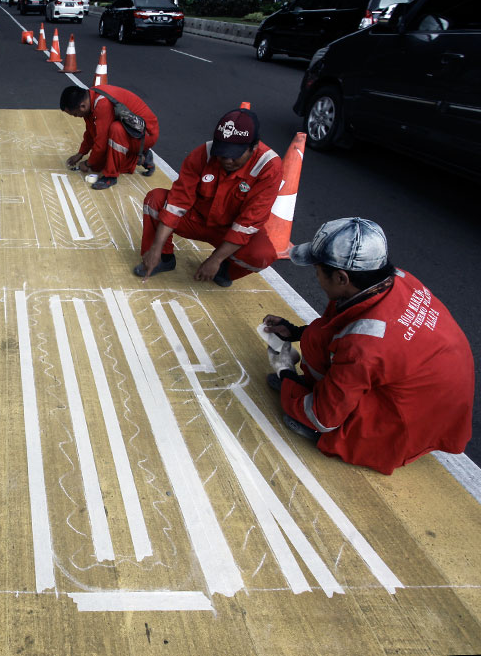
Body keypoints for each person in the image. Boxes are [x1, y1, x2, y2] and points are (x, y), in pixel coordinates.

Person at [262, 217, 473, 474]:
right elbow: (339, 326)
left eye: (317, 270)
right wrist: (296, 332)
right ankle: (321, 391)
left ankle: (344, 431)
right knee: (317, 337)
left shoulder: (364, 345)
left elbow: (323, 416)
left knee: (315, 417)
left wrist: (286, 375)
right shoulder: (397, 279)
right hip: (433, 393)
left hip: (414, 419)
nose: (316, 276)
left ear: (341, 277)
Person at [135, 107, 282, 287]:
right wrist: (155, 247)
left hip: (229, 232)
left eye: (234, 155)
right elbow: (177, 201)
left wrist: (216, 259)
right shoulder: (203, 153)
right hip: (196, 220)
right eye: (222, 153)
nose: (227, 160)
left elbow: (248, 223)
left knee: (263, 253)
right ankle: (163, 259)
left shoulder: (269, 167)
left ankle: (224, 269)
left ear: (254, 147)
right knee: (155, 199)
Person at [61, 84, 160, 191]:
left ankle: (111, 176)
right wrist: (80, 153)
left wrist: (87, 163)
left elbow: (101, 143)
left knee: (116, 130)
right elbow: (91, 132)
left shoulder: (102, 104)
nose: (76, 117)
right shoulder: (90, 100)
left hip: (146, 134)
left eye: (75, 114)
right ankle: (138, 158)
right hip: (133, 130)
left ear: (82, 106)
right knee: (97, 165)